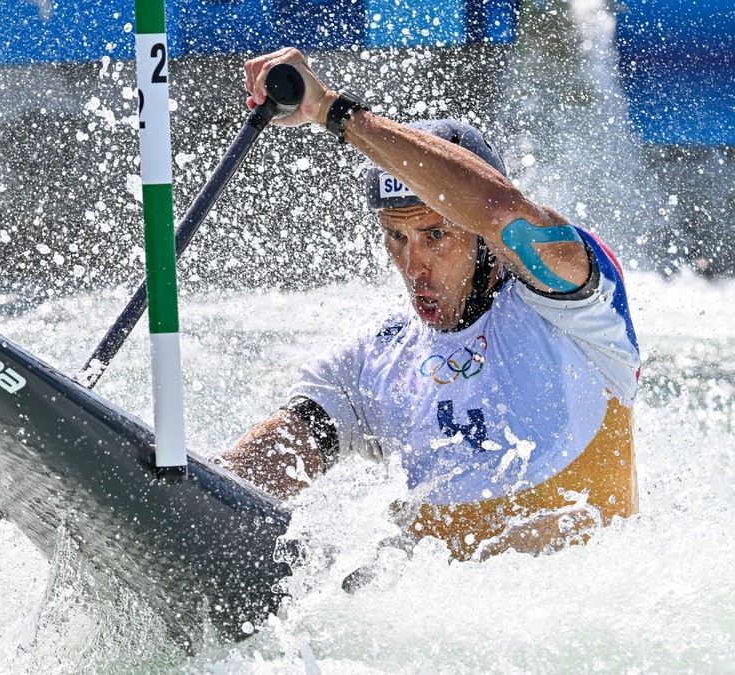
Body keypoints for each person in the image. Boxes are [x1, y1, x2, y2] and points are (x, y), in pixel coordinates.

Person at [218, 48, 641, 562]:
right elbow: (259, 470)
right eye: (396, 237)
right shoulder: (372, 360)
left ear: (487, 241)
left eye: (435, 233)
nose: (413, 264)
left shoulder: (578, 308)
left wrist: (335, 111)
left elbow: (502, 210)